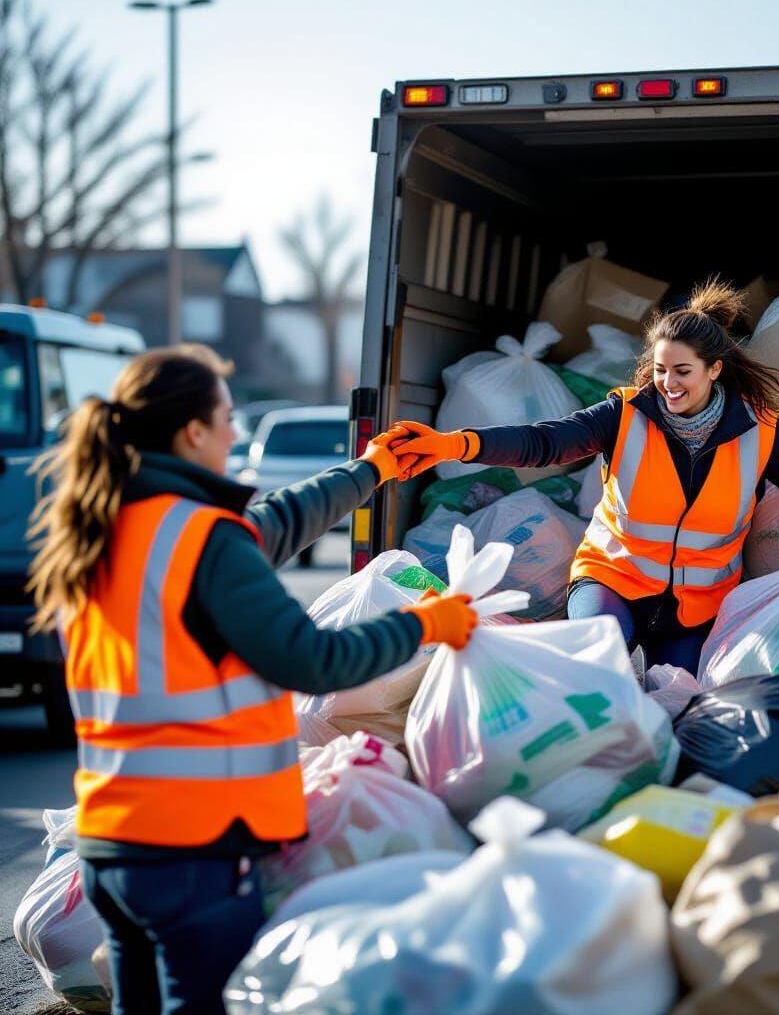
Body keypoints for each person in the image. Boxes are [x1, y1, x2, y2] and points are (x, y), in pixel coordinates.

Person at [27, 345, 478, 1015]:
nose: (237, 433)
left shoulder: (99, 534)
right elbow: (310, 661)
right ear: (194, 432)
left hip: (111, 844)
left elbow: (275, 522)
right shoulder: (202, 539)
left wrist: (373, 469)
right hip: (192, 847)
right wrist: (427, 626)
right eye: (228, 417)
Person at [391, 278, 779, 673]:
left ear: (715, 370)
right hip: (612, 580)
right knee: (593, 672)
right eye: (659, 370)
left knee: (680, 706)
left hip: (697, 607)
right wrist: (454, 444)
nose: (668, 383)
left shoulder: (759, 429)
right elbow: (543, 441)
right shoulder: (626, 414)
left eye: (682, 371)